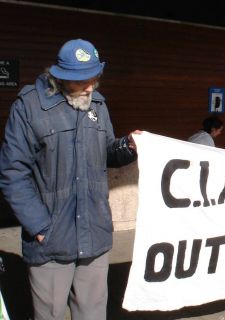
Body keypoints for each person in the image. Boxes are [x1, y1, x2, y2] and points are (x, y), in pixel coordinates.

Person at [0, 39, 140, 319]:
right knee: (49, 314)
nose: (90, 87)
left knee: (92, 313)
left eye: (94, 78)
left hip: (95, 234)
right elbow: (13, 172)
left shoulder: (98, 105)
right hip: (51, 240)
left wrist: (128, 146)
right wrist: (40, 226)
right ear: (61, 77)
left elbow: (106, 152)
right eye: (81, 81)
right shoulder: (29, 107)